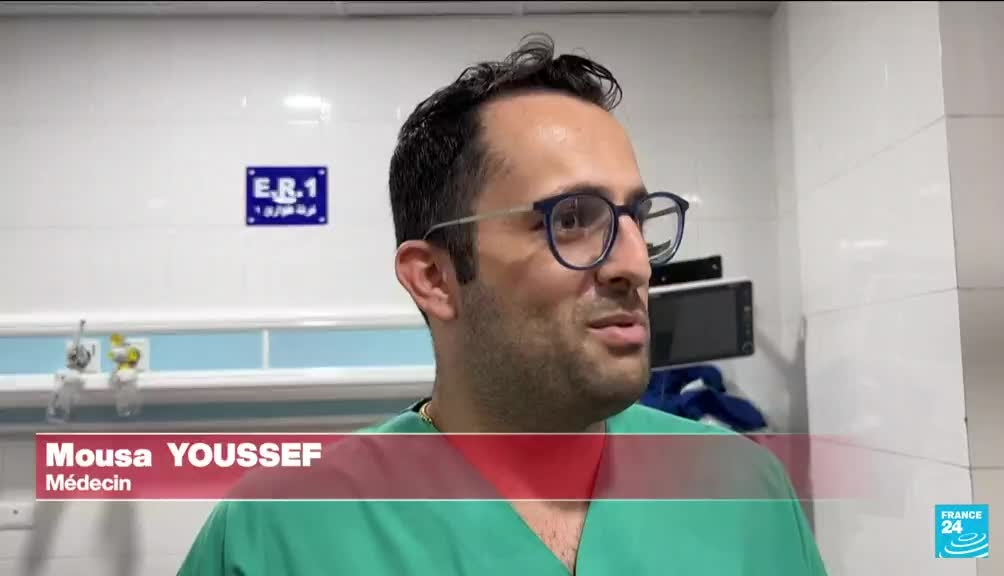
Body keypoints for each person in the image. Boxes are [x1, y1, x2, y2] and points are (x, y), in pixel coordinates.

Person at [178, 34, 828, 576]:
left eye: (636, 218)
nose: (634, 264)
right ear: (434, 278)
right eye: (572, 219)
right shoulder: (278, 537)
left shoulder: (744, 491)